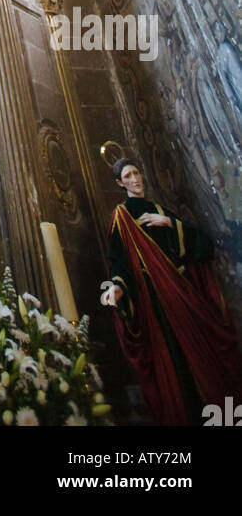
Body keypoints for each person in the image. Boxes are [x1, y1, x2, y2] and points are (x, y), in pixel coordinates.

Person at [102, 158, 242, 425]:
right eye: (128, 175)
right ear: (120, 183)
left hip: (181, 293)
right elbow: (118, 261)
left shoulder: (158, 210)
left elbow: (202, 244)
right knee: (177, 362)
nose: (136, 178)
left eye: (137, 172)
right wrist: (118, 288)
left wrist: (166, 221)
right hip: (157, 300)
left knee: (205, 358)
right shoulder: (122, 216)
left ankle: (222, 418)